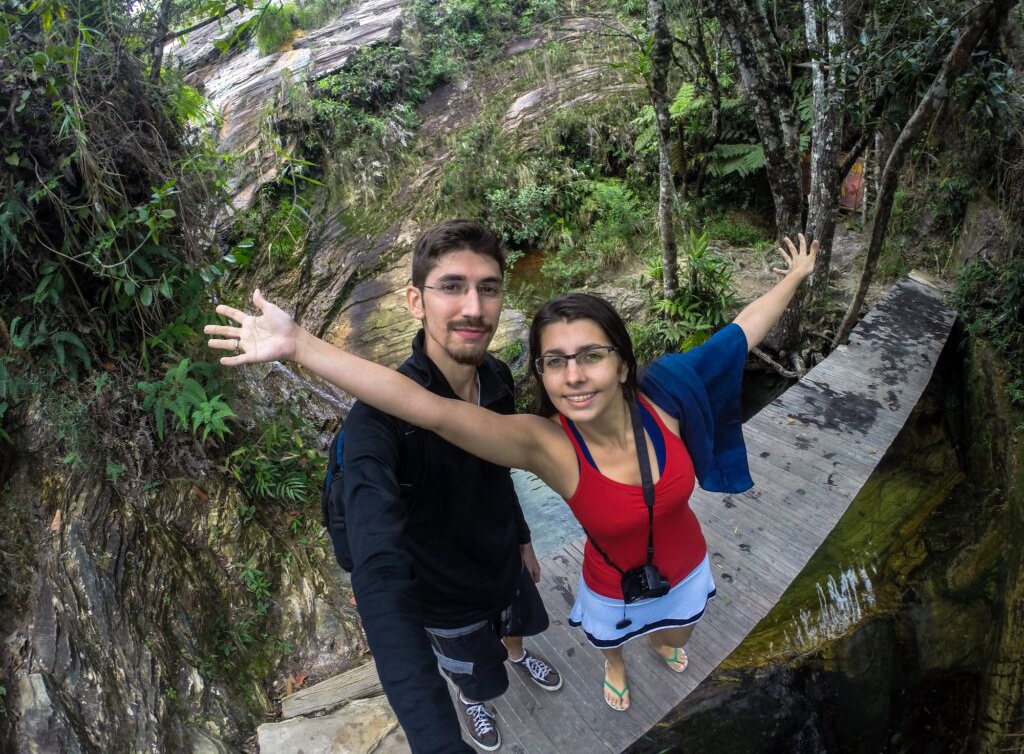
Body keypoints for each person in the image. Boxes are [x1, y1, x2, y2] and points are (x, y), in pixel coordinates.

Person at [205, 231, 818, 715]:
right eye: (555, 362)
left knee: (676, 637)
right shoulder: (546, 445)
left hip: (685, 568)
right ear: (542, 378)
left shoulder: (668, 399)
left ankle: (659, 641)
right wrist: (301, 347)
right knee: (609, 642)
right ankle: (613, 666)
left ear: (624, 365)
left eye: (591, 356)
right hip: (606, 581)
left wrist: (794, 275)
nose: (574, 375)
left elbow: (740, 334)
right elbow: (429, 409)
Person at [318, 220, 562, 752]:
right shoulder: (377, 424)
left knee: (516, 633)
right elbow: (377, 569)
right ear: (415, 301)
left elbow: (497, 469)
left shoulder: (495, 377)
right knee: (477, 675)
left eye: (488, 288)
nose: (473, 307)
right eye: (452, 286)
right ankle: (473, 700)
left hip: (504, 564)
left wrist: (521, 536)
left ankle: (518, 655)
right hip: (446, 600)